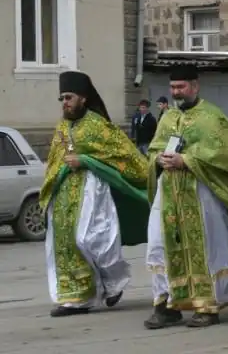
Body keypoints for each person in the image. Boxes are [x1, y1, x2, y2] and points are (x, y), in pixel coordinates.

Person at [144, 64, 228, 330]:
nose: (176, 92)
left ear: (195, 86)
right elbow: (154, 148)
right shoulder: (167, 117)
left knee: (207, 247)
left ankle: (207, 306)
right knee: (159, 246)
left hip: (201, 194)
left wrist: (186, 159)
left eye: (181, 87)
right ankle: (164, 305)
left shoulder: (212, 117)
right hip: (169, 194)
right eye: (173, 88)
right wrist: (158, 159)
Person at [43, 71, 150, 317]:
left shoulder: (97, 125)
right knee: (66, 243)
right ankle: (75, 298)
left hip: (92, 190)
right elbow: (54, 160)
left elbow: (126, 156)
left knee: (93, 240)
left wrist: (85, 160)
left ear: (82, 97)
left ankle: (114, 282)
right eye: (62, 98)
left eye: (69, 97)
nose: (65, 102)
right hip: (64, 193)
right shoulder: (61, 127)